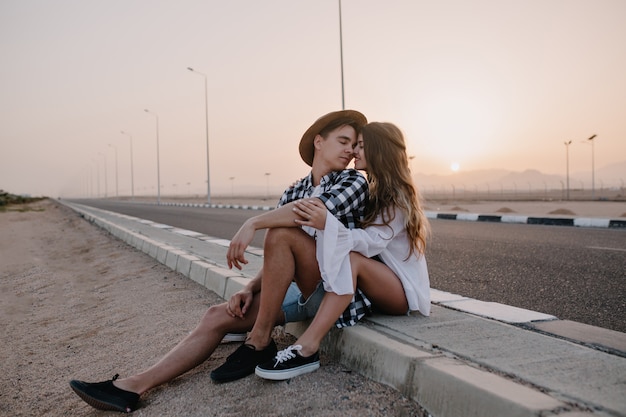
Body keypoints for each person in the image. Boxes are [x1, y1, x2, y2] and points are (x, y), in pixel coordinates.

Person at [69, 109, 369, 413]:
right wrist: (250, 289)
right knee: (217, 314)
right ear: (319, 141)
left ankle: (259, 341)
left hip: (333, 291)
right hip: (298, 292)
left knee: (279, 234)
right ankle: (132, 387)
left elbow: (308, 212)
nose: (350, 150)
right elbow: (281, 258)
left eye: (354, 144)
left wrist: (253, 222)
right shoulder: (294, 189)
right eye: (344, 141)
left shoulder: (353, 182)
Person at [253, 122, 431, 380]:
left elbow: (371, 243)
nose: (354, 152)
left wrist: (329, 224)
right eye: (352, 145)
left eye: (360, 146)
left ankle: (308, 347)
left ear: (378, 150)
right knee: (348, 257)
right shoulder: (375, 189)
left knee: (352, 259)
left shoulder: (397, 196)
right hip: (379, 282)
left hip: (402, 290)